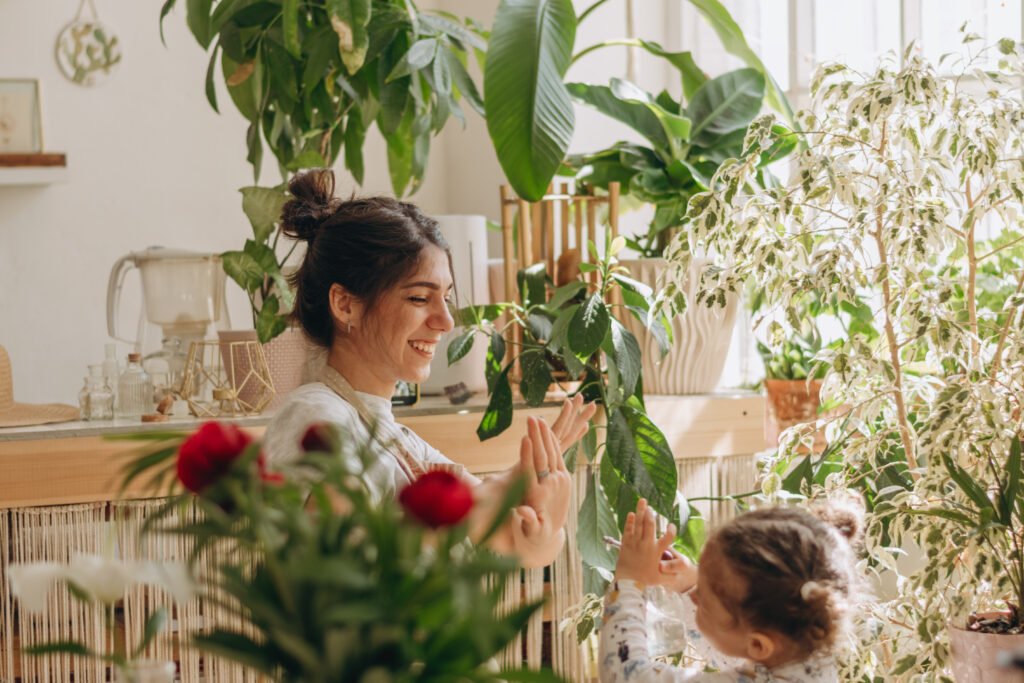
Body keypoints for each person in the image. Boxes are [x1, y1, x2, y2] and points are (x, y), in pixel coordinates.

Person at [264, 168, 596, 569]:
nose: (446, 321)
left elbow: (511, 539)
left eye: (447, 298)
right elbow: (347, 552)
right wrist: (491, 499)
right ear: (345, 304)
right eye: (420, 298)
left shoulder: (400, 441)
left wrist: (544, 524)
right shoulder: (313, 414)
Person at [600, 499, 864, 682]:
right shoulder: (806, 656)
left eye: (703, 600)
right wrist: (689, 584)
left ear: (758, 644)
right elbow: (734, 654)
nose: (695, 597)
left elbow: (626, 675)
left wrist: (629, 580)